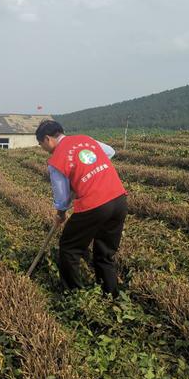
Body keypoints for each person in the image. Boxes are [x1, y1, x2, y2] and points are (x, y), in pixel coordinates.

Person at [36, 120, 127, 297]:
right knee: (105, 252)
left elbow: (62, 198)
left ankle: (75, 295)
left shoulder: (56, 160)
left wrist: (61, 213)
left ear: (47, 139)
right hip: (119, 199)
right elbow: (110, 152)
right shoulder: (86, 139)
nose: (42, 148)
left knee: (69, 248)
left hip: (94, 204)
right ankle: (111, 294)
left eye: (41, 144)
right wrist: (89, 169)